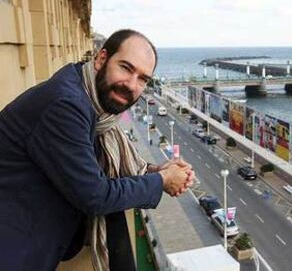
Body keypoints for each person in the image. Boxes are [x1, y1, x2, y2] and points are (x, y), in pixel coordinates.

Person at [0, 29, 194, 270]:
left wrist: (155, 170)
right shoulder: (66, 105)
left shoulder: (86, 98)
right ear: (101, 59)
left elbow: (84, 164)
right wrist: (161, 180)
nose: (131, 85)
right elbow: (96, 195)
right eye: (125, 67)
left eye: (143, 79)